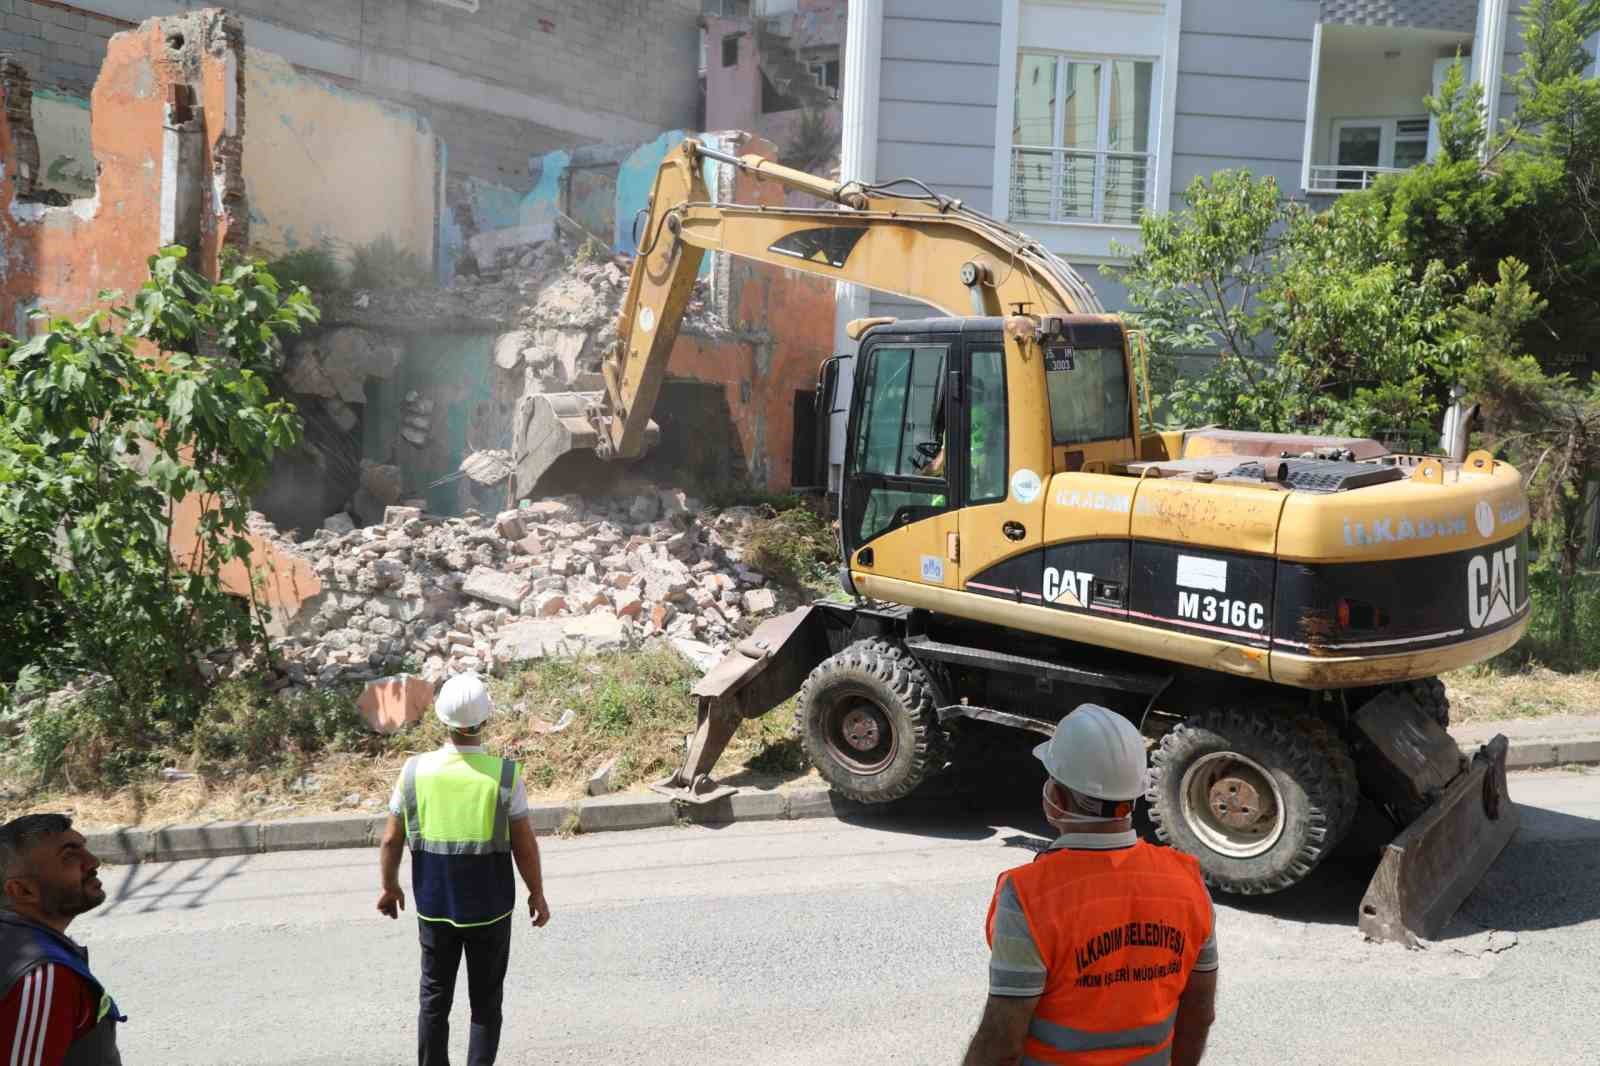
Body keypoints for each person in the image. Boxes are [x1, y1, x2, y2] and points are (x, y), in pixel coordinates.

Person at [961, 704, 1218, 1066]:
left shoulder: (1029, 895)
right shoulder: (1188, 883)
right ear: (1131, 798)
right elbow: (1199, 1013)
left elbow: (1001, 1041)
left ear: (1059, 798)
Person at [377, 672, 551, 1066]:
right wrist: (536, 892)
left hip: (435, 909)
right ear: (484, 720)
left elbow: (390, 840)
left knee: (434, 997)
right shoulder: (505, 775)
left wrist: (389, 887)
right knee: (485, 1003)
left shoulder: (413, 772)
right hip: (490, 910)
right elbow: (524, 844)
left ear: (442, 720)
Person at [0, 814, 126, 1066]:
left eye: (83, 847)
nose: (93, 861)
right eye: (69, 856)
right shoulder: (42, 975)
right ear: (22, 891)